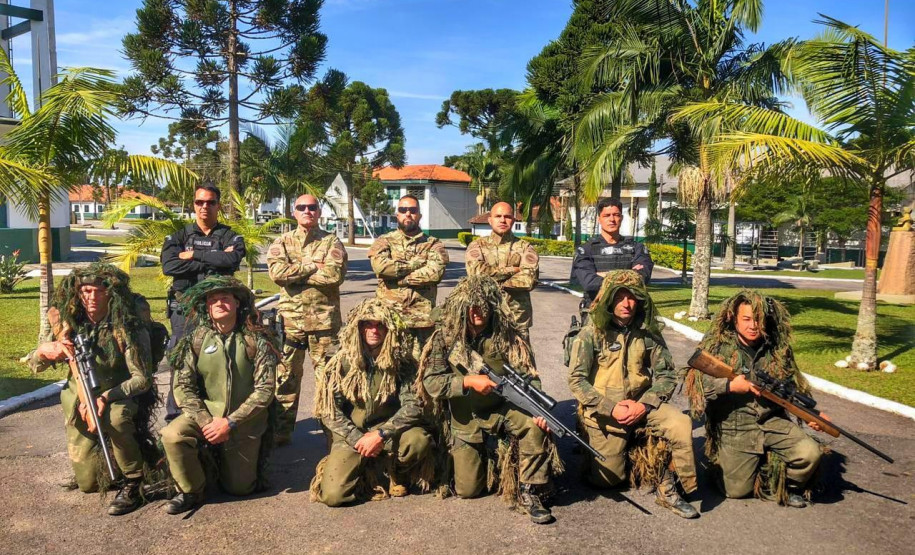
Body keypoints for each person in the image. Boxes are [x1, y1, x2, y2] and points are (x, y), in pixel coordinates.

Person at [419, 275, 558, 524]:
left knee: (533, 426)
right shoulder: (446, 337)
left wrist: (538, 409)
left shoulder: (507, 334)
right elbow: (431, 382)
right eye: (471, 306)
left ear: (493, 305)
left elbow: (529, 375)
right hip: (466, 417)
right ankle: (493, 459)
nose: (477, 311)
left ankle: (531, 491)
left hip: (502, 409)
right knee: (468, 490)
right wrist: (467, 382)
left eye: (483, 305)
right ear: (462, 307)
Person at [567, 270, 698, 518]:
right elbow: (576, 380)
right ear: (608, 299)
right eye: (620, 297)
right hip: (606, 412)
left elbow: (667, 375)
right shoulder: (591, 333)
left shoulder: (648, 332)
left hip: (642, 404)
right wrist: (610, 408)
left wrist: (645, 404)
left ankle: (672, 486)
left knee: (680, 424)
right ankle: (613, 452)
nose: (627, 304)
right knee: (608, 481)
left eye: (632, 297)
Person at [29, 263, 156, 516]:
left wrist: (106, 397)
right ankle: (116, 460)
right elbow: (36, 363)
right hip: (79, 398)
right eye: (86, 291)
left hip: (119, 394)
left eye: (100, 291)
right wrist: (44, 352)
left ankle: (134, 480)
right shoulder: (68, 322)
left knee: (115, 419)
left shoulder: (126, 325)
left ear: (111, 294)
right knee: (89, 484)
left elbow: (142, 379)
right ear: (78, 294)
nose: (92, 297)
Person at [684, 290, 825, 508]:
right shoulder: (718, 346)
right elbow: (696, 384)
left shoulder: (777, 348)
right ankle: (718, 461)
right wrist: (729, 386)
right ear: (734, 318)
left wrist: (812, 415)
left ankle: (782, 485)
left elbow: (792, 386)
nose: (753, 326)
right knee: (736, 491)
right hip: (734, 425)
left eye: (758, 320)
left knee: (810, 454)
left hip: (772, 420)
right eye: (747, 319)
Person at [160, 276, 277, 514]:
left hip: (244, 422)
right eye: (213, 300)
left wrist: (230, 422)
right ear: (207, 307)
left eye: (225, 298)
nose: (219, 303)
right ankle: (192, 489)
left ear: (237, 303)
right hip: (207, 415)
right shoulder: (196, 339)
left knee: (240, 488)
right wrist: (206, 421)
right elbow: (182, 386)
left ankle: (219, 463)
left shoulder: (256, 339)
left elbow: (265, 390)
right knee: (172, 435)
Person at [311, 299, 432, 506]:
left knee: (418, 441)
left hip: (388, 430)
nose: (374, 330)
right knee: (333, 496)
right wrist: (358, 438)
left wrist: (381, 434)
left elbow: (413, 405)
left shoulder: (401, 361)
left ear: (388, 329)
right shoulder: (341, 362)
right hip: (353, 432)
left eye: (380, 325)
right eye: (368, 324)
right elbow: (329, 411)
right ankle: (366, 473)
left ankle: (396, 471)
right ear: (358, 328)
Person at [267, 194, 347, 445]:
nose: (307, 211)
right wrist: (313, 265)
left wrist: (296, 272)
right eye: (301, 207)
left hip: (324, 324)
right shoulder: (282, 241)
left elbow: (333, 276)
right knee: (286, 379)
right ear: (294, 212)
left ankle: (333, 434)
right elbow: (277, 274)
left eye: (312, 207)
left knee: (330, 380)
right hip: (291, 323)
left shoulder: (331, 241)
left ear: (319, 212)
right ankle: (281, 433)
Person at [161, 184, 246, 419]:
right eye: (200, 202)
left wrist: (194, 255)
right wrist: (215, 260)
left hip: (219, 311)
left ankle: (218, 415)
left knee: (220, 361)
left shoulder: (230, 236)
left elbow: (232, 259)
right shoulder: (179, 236)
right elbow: (170, 266)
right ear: (193, 205)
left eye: (210, 202)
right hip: (184, 312)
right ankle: (176, 418)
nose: (204, 206)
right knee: (182, 363)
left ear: (219, 205)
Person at [367, 194, 448, 361]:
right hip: (389, 320)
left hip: (422, 322)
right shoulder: (384, 241)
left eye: (412, 210)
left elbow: (435, 273)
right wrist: (414, 265)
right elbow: (381, 267)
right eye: (403, 210)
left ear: (419, 215)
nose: (408, 214)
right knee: (388, 365)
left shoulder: (433, 243)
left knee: (421, 366)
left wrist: (399, 279)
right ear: (397, 215)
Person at [465, 201, 539, 337]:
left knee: (519, 352)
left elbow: (529, 279)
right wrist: (512, 270)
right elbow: (476, 274)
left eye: (507, 216)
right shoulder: (477, 246)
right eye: (498, 216)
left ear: (514, 220)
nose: (503, 220)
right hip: (484, 317)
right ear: (490, 220)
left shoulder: (525, 247)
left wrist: (494, 282)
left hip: (516, 318)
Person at [571, 198, 653, 318]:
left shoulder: (637, 248)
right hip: (596, 314)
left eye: (616, 215)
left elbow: (642, 277)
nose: (612, 219)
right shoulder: (586, 250)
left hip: (629, 316)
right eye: (606, 215)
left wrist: (604, 275)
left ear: (621, 218)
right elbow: (589, 283)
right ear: (599, 219)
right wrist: (629, 274)